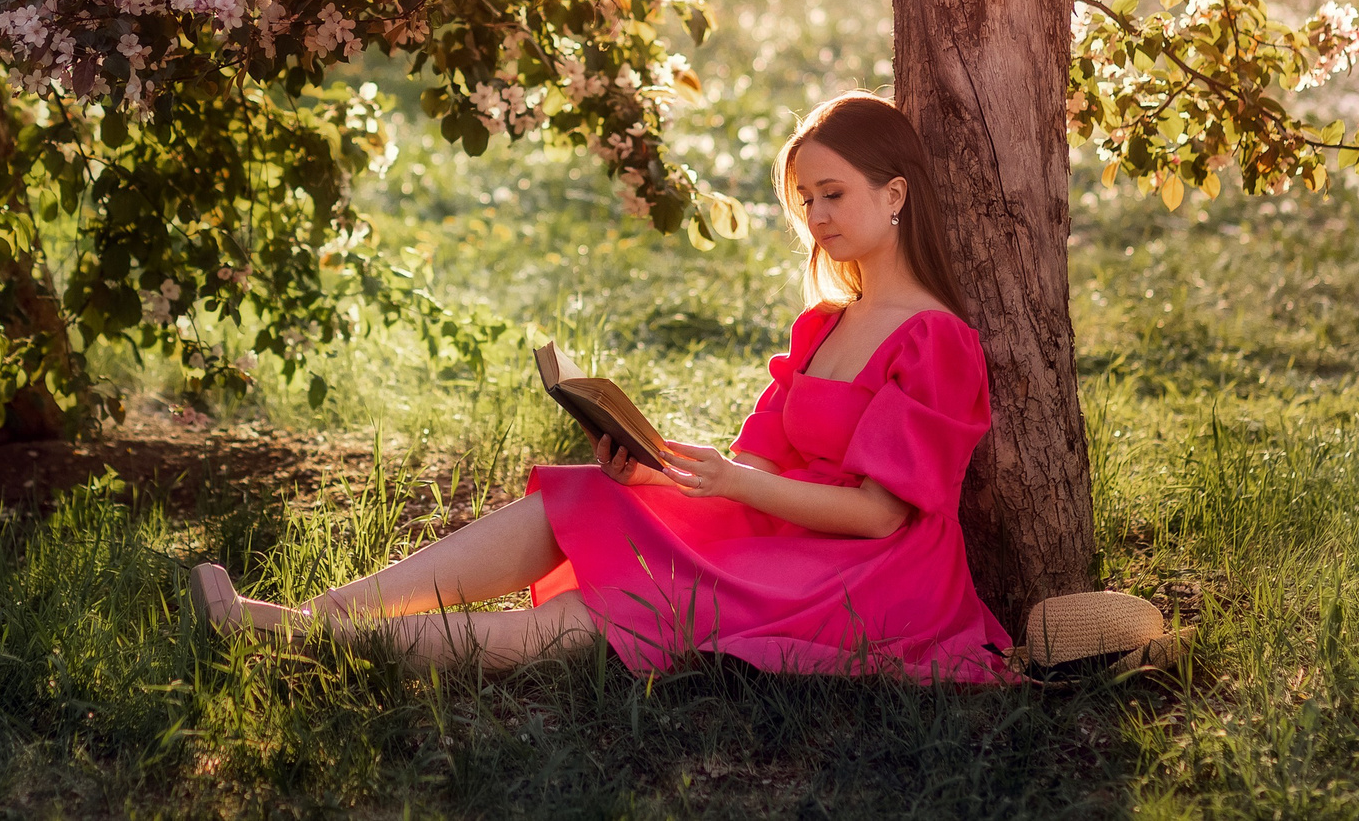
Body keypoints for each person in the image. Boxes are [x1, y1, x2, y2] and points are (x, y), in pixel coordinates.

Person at [189, 90, 1012, 680]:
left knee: (608, 612)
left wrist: (729, 481)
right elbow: (755, 466)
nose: (819, 215)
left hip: (869, 576)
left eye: (834, 193)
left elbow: (879, 512)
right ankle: (319, 614)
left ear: (894, 192)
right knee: (578, 497)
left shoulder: (936, 338)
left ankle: (300, 642)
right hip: (783, 530)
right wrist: (659, 468)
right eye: (806, 199)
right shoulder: (825, 324)